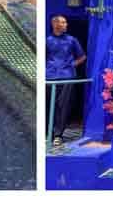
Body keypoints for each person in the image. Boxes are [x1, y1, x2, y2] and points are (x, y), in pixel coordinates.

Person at [46, 15, 86, 147]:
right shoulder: (47, 40)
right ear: (54, 24)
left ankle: (58, 135)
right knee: (47, 105)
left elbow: (82, 56)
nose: (65, 25)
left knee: (63, 106)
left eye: (65, 22)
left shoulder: (71, 40)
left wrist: (72, 65)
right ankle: (47, 133)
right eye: (62, 22)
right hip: (49, 77)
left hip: (67, 76)